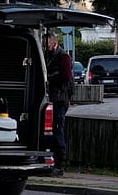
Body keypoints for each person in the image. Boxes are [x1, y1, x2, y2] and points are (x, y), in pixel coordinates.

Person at [42, 32, 72, 176]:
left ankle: (59, 163)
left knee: (57, 129)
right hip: (52, 98)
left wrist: (50, 79)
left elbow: (66, 78)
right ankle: (52, 161)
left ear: (54, 43)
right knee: (52, 130)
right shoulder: (50, 55)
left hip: (59, 98)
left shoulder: (62, 57)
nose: (45, 48)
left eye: (47, 45)